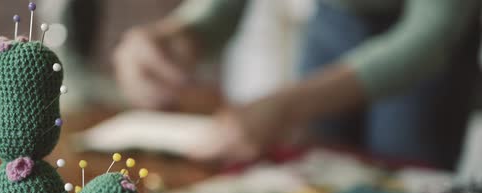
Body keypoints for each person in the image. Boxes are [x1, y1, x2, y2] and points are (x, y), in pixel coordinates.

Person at [113, 0, 481, 168]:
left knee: (407, 191)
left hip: (427, 43)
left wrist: (288, 106)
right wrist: (180, 35)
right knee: (315, 175)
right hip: (336, 19)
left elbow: (428, 39)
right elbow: (221, 10)